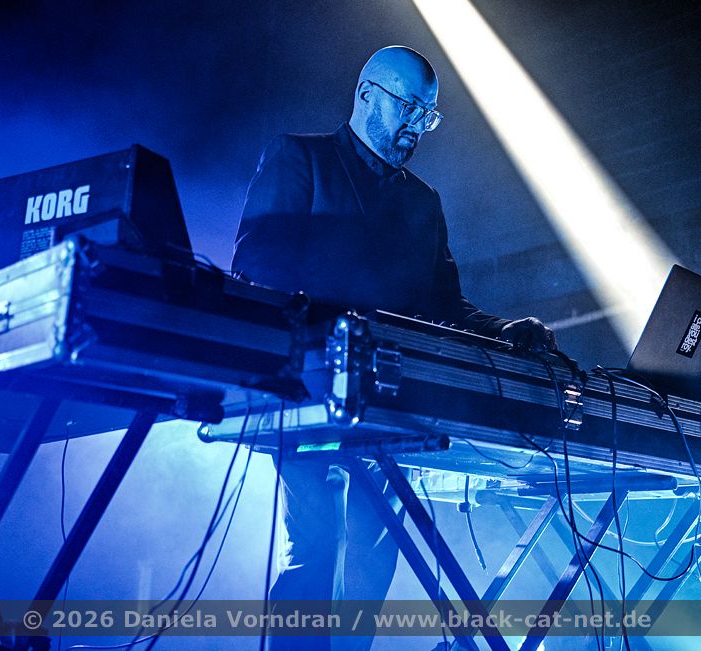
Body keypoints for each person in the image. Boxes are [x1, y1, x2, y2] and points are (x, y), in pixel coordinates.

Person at [232, 46, 555, 650]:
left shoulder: (423, 202)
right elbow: (254, 266)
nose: (418, 126)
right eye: (410, 108)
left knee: (375, 555)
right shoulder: (300, 158)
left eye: (428, 116)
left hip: (391, 401)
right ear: (366, 94)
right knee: (316, 548)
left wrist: (503, 330)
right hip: (308, 391)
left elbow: (446, 306)